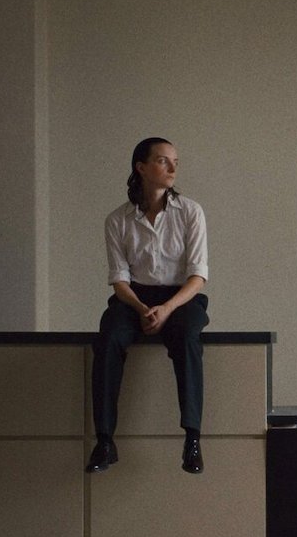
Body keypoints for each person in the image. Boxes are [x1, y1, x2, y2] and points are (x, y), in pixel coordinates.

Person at [85, 137, 210, 474]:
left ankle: (193, 438)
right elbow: (119, 280)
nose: (172, 168)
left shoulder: (190, 212)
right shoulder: (118, 220)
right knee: (109, 336)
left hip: (181, 297)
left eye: (175, 162)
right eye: (162, 160)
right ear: (141, 167)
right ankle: (105, 439)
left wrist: (166, 309)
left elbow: (198, 276)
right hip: (133, 299)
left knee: (187, 338)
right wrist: (142, 309)